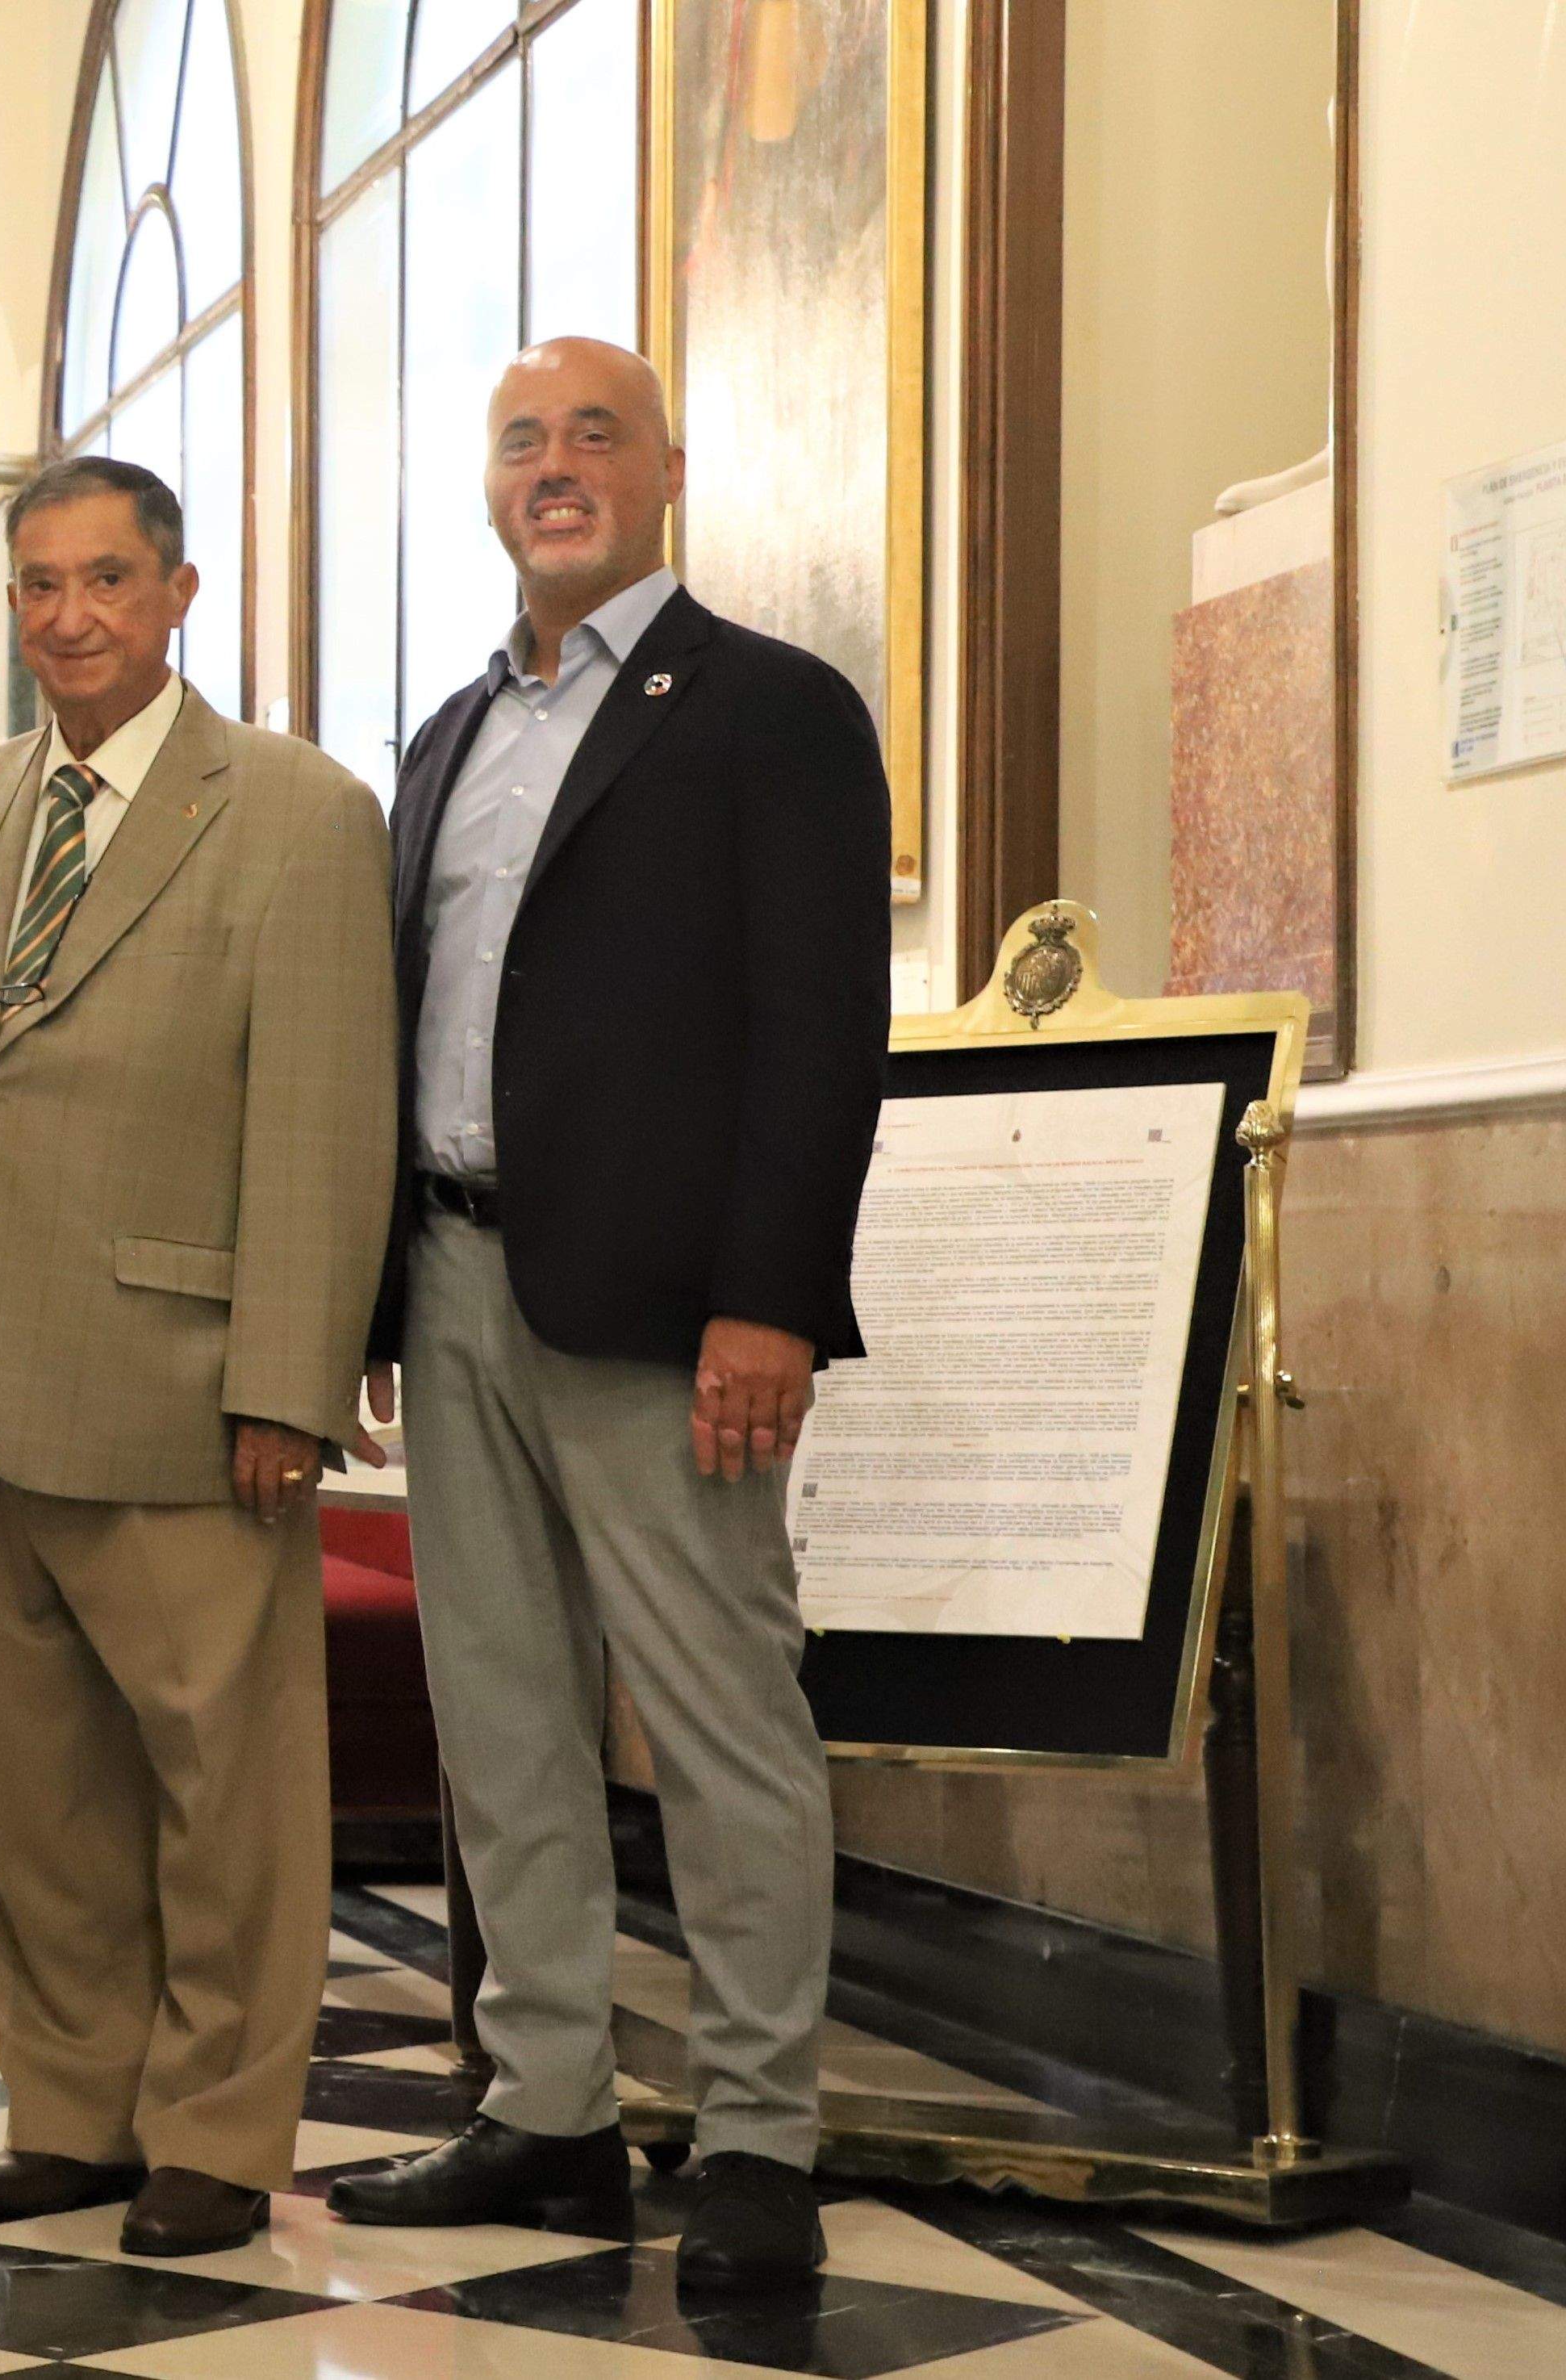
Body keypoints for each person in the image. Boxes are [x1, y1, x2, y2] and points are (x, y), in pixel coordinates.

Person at [324, 338, 889, 2294]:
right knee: (502, 1715)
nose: (554, 464)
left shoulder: (770, 706)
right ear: (489, 486)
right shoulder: (448, 733)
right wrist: (381, 1290)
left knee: (723, 1720)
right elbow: (415, 1022)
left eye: (592, 434)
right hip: (457, 1275)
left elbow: (822, 1026)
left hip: (666, 1310)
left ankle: (757, 2137)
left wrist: (771, 1298)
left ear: (664, 470)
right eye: (521, 441)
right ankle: (548, 2105)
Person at [0, 457, 398, 2256]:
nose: (71, 617)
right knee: (34, 1795)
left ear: (180, 592)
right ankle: (71, 2111)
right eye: (39, 585)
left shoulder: (296, 810)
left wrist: (287, 1378)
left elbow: (327, 1111)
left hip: (187, 1382)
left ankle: (215, 2126)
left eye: (106, 579)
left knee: (227, 1789)